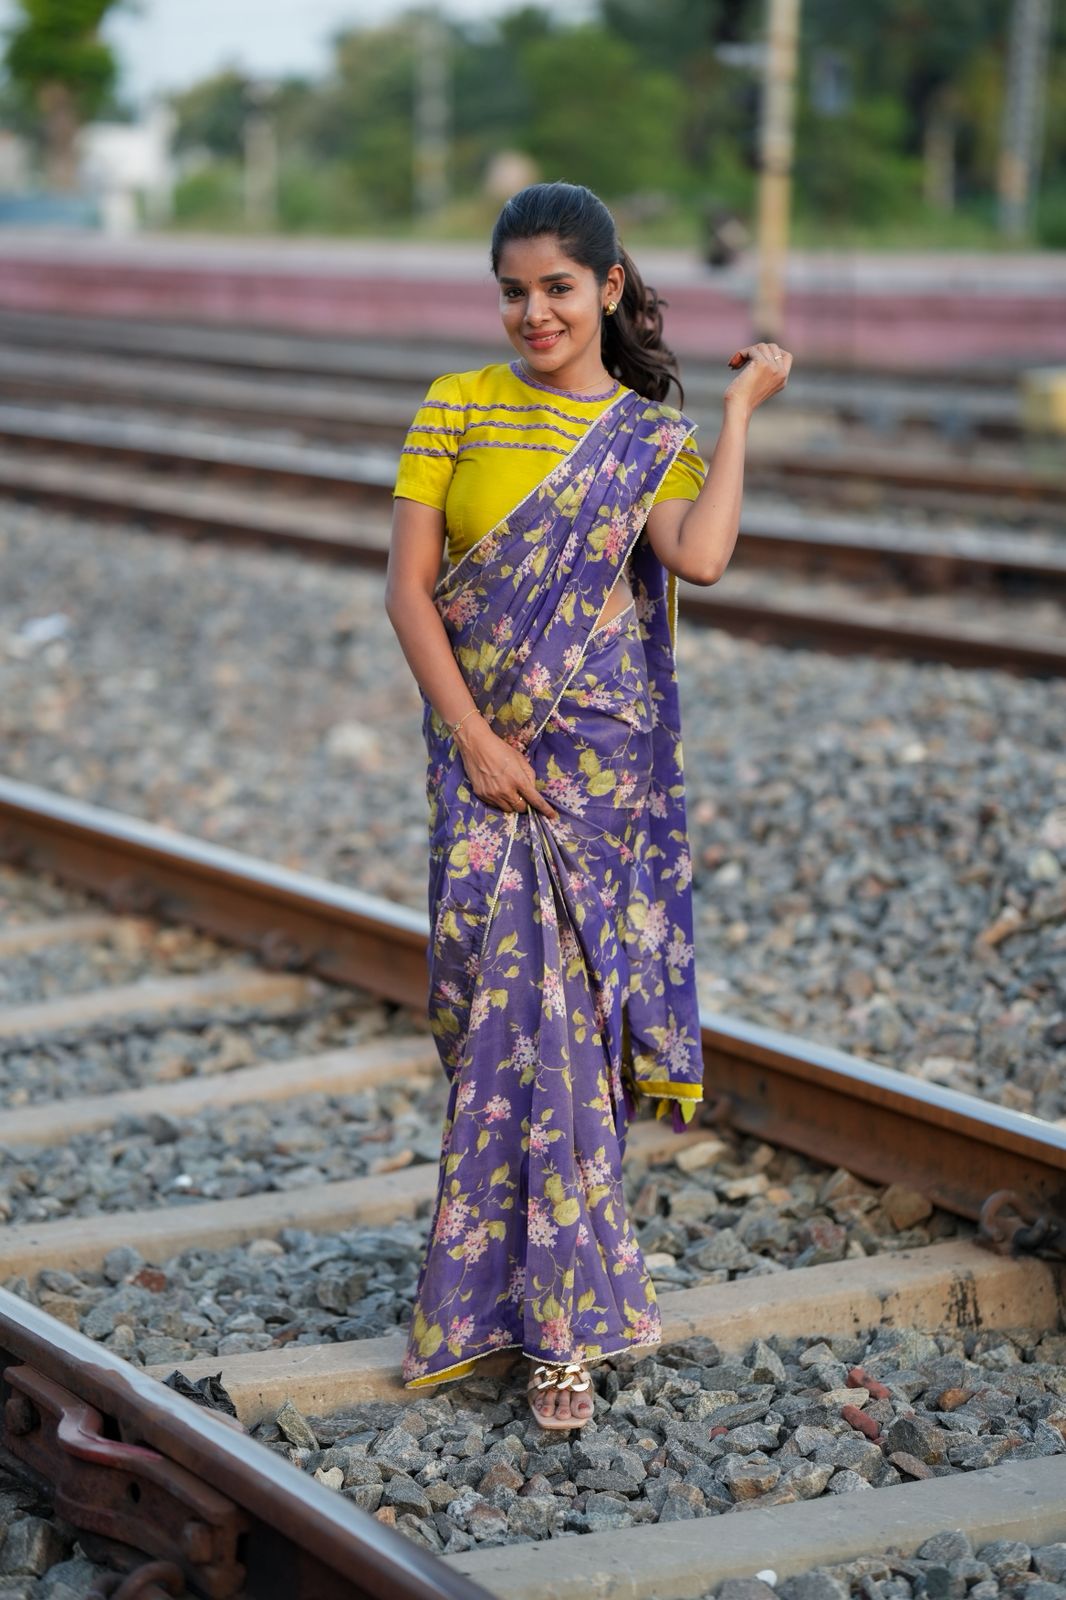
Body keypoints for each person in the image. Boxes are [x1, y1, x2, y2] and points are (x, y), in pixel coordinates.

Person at [385, 180, 791, 1430]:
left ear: (608, 289)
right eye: (513, 290)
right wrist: (475, 738)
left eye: (557, 287)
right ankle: (492, 1294)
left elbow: (701, 559)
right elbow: (408, 593)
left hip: (596, 768)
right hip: (483, 761)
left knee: (565, 1039)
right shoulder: (453, 406)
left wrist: (730, 416)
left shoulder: (643, 433)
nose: (532, 312)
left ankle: (561, 1327)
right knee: (484, 1018)